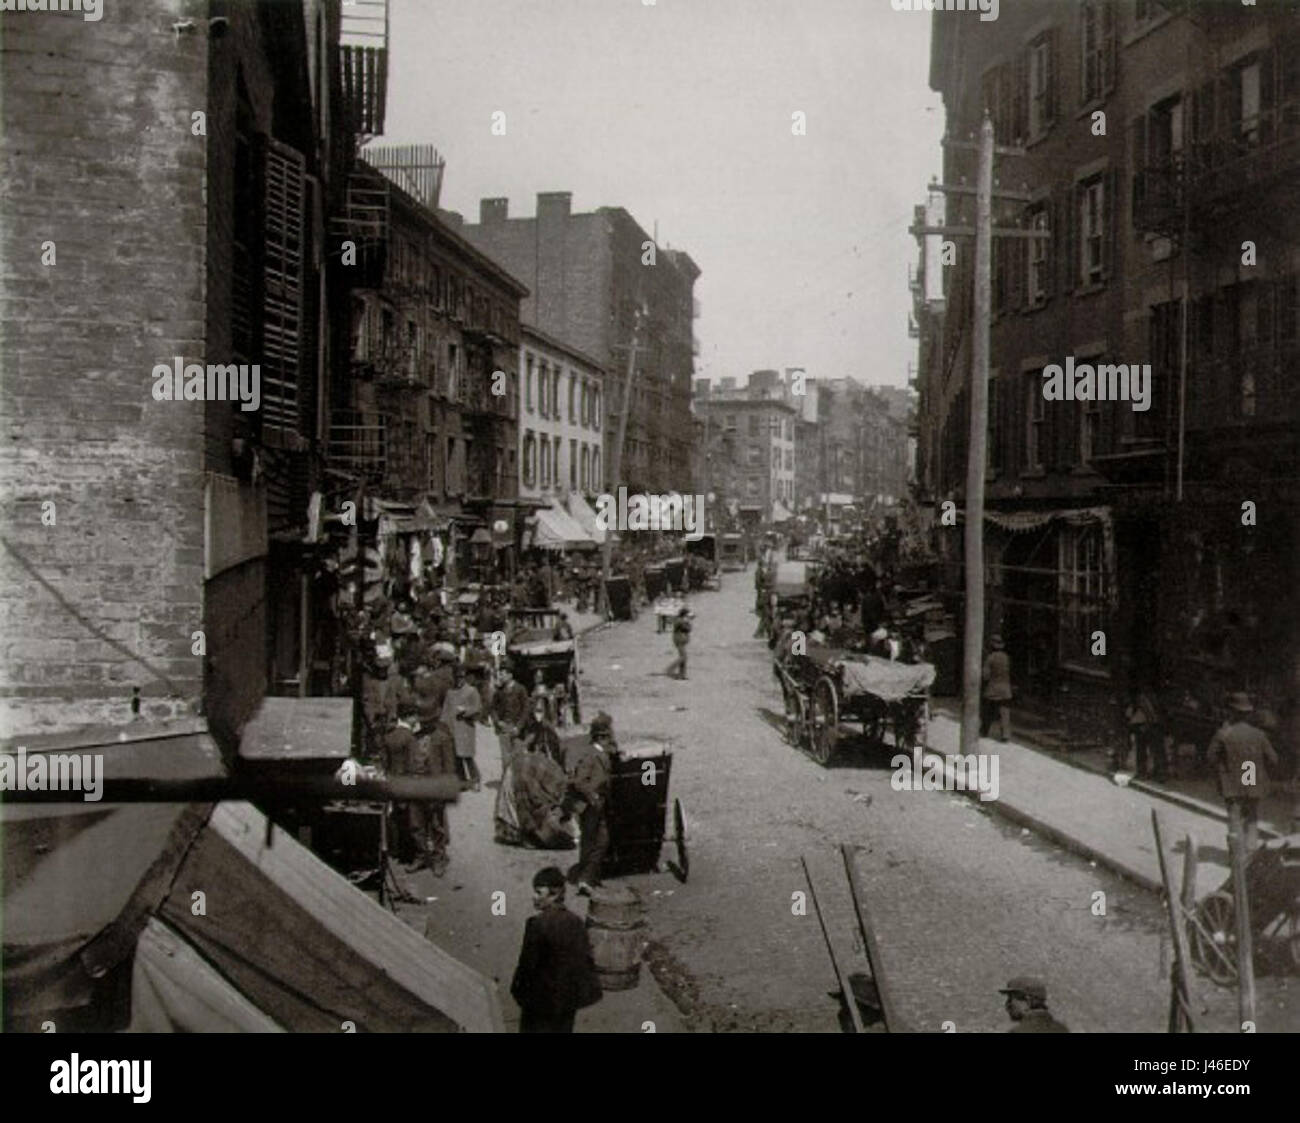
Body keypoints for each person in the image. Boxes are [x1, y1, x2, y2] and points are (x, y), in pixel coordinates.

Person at [510, 866, 602, 1033]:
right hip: (566, 1002)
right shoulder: (576, 921)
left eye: (539, 892)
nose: (534, 897)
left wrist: (518, 992)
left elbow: (527, 967)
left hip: (540, 1004)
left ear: (555, 894)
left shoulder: (537, 924)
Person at [1207, 692, 1280, 853]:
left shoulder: (1223, 733)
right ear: (1248, 714)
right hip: (1251, 778)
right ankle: (1251, 851)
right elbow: (1273, 759)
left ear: (1231, 712)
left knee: (1234, 817)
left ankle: (1237, 855)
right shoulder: (1259, 734)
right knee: (1252, 816)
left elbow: (1210, 757)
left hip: (1231, 782)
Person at [566, 712, 615, 895]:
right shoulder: (591, 756)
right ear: (601, 737)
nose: (609, 740)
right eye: (607, 736)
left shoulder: (599, 753)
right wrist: (592, 795)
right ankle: (585, 879)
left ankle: (588, 877)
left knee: (595, 841)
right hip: (590, 806)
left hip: (597, 805)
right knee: (597, 841)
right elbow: (579, 781)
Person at [442, 662, 483, 791]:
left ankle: (475, 779)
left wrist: (465, 710)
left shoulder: (471, 691)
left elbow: (477, 708)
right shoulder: (450, 692)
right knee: (456, 757)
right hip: (452, 728)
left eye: (461, 678)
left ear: (465, 678)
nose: (459, 680)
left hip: (466, 729)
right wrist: (443, 725)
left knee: (467, 756)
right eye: (457, 677)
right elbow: (445, 710)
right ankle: (462, 781)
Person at [1000, 977, 1069, 1033]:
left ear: (1027, 1001)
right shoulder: (1062, 1029)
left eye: (1010, 999)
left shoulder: (1017, 1032)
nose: (1007, 1005)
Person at [981, 634, 1013, 741]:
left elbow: (985, 675)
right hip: (1006, 689)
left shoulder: (990, 658)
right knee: (1004, 713)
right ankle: (1005, 735)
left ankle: (984, 731)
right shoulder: (1006, 657)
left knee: (988, 711)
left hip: (992, 689)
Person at [671, 606, 692, 680]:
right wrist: (689, 622)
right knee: (683, 657)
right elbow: (688, 629)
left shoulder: (679, 620)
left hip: (679, 639)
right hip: (680, 640)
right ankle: (673, 668)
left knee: (683, 657)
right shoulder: (681, 621)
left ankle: (682, 675)